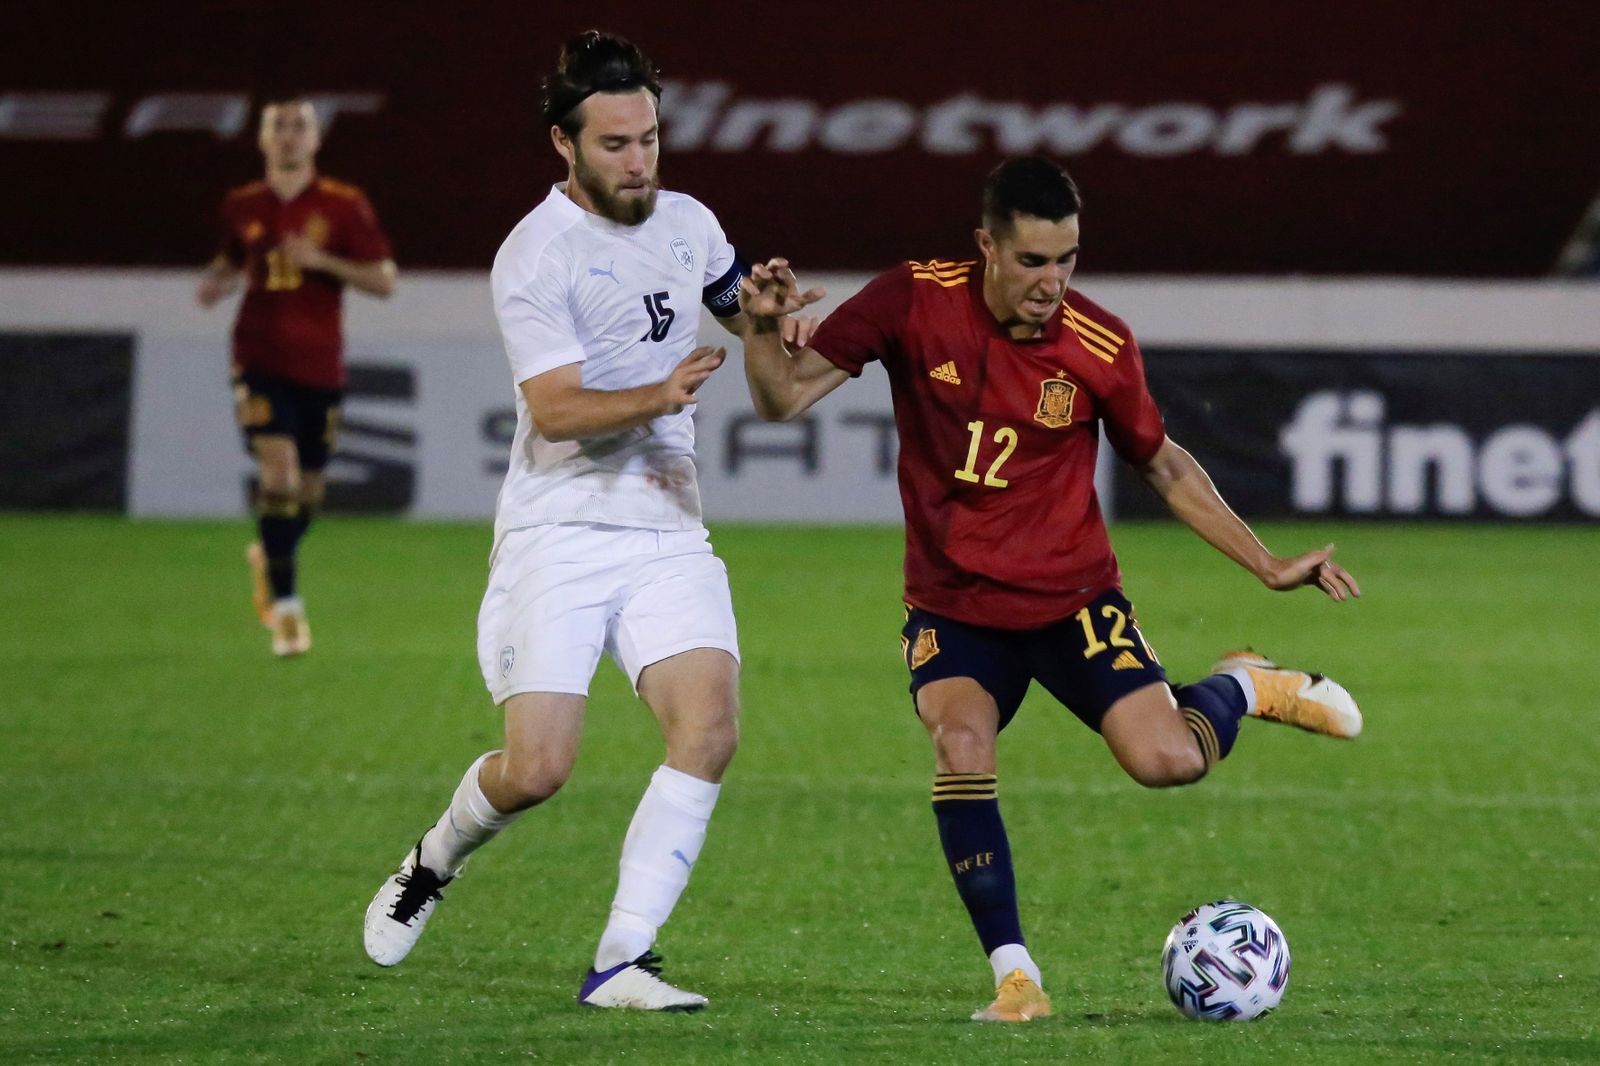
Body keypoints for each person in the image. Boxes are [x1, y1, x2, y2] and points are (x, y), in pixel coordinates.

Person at [736, 156, 1364, 1023]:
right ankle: (1016, 977)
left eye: (1068, 259)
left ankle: (1244, 683)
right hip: (955, 610)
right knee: (961, 746)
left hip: (1073, 605)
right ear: (986, 246)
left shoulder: (1099, 345)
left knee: (1167, 762)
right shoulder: (912, 299)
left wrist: (1264, 564)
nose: (1052, 282)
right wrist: (759, 331)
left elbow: (1166, 465)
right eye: (1033, 261)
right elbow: (782, 399)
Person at [361, 31, 807, 1012]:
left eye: (649, 138)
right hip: (557, 528)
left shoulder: (690, 223)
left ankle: (621, 959)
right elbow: (557, 409)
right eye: (615, 144)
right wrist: (660, 393)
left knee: (709, 727)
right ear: (563, 145)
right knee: (538, 768)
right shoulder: (536, 254)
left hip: (665, 526)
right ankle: (433, 858)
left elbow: (764, 356)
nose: (639, 161)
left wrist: (770, 318)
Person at [197, 94, 397, 657]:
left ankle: (271, 548)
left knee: (307, 490)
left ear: (315, 139)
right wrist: (215, 281)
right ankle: (287, 612)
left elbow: (384, 279)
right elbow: (233, 256)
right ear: (262, 139)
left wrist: (323, 261)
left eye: (298, 127)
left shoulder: (342, 204)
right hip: (258, 360)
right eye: (277, 126)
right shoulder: (243, 203)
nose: (288, 135)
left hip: (320, 365)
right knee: (280, 479)